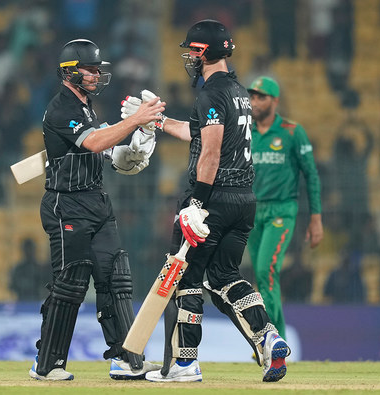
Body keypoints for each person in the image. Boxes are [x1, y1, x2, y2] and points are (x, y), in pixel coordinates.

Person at [123, 20, 290, 383]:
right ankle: (268, 336)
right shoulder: (239, 91)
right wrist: (158, 120)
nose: (188, 58)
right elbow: (197, 132)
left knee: (186, 279)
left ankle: (184, 364)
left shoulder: (211, 94)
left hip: (213, 199)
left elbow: (210, 153)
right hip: (244, 200)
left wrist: (197, 202)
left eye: (191, 51)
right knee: (227, 276)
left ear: (203, 52)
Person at [28, 38, 165, 381]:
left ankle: (127, 358)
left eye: (96, 70)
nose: (95, 75)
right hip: (67, 205)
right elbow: (93, 142)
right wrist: (135, 121)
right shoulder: (61, 108)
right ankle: (47, 365)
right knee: (70, 283)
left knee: (116, 278)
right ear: (69, 72)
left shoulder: (86, 107)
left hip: (96, 201)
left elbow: (102, 149)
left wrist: (129, 154)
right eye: (89, 70)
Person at [246, 76, 323, 340]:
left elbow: (311, 175)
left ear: (275, 101)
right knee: (261, 276)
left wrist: (315, 219)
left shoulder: (292, 131)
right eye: (253, 96)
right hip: (252, 212)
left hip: (282, 211)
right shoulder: (246, 132)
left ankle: (271, 338)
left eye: (261, 97)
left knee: (266, 270)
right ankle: (273, 341)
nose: (255, 102)